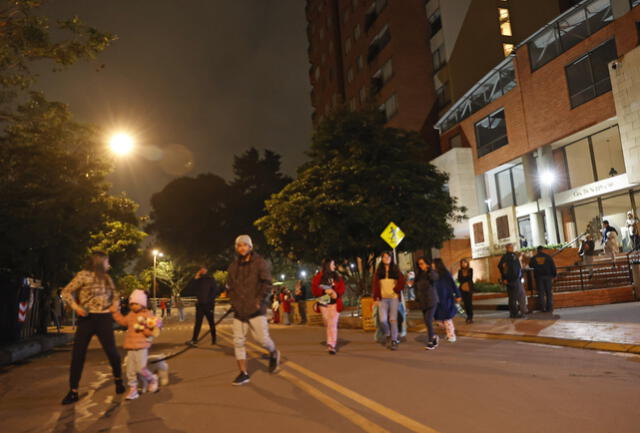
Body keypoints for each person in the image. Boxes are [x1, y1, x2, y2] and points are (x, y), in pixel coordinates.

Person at [60, 251, 124, 405]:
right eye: (107, 261)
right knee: (78, 354)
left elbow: (115, 296)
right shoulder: (83, 275)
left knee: (112, 352)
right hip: (87, 319)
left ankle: (118, 380)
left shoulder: (107, 278)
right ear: (99, 262)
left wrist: (115, 305)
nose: (109, 264)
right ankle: (73, 391)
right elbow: (66, 291)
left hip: (104, 318)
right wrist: (76, 307)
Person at [226, 235, 280, 386]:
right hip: (239, 310)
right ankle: (243, 373)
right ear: (236, 248)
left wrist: (259, 301)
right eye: (239, 245)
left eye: (245, 245)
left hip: (255, 308)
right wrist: (233, 301)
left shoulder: (259, 263)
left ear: (250, 247)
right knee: (238, 341)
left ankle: (274, 352)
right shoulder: (233, 267)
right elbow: (229, 286)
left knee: (261, 339)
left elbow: (267, 283)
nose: (242, 248)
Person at [110, 290, 162, 400]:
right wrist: (115, 312)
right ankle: (133, 389)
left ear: (143, 304)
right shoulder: (131, 315)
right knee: (130, 370)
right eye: (132, 304)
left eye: (136, 304)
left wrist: (150, 329)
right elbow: (123, 322)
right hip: (130, 346)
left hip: (142, 346)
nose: (133, 306)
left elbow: (155, 326)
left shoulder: (147, 314)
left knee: (141, 368)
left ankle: (152, 379)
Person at [311, 259, 346, 354]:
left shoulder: (337, 277)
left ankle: (331, 345)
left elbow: (342, 288)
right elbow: (314, 290)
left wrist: (337, 293)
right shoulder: (319, 277)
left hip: (335, 302)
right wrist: (324, 291)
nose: (334, 266)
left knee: (332, 323)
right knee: (327, 321)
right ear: (327, 265)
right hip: (324, 301)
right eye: (333, 264)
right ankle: (330, 341)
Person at [372, 251, 405, 350]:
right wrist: (375, 298)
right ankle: (388, 333)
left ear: (391, 258)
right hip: (382, 299)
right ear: (382, 259)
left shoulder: (396, 270)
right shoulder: (379, 272)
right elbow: (375, 286)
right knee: (382, 320)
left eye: (388, 257)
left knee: (393, 320)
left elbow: (402, 282)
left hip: (394, 298)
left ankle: (394, 340)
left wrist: (396, 290)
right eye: (384, 257)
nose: (386, 258)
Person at [185, 266, 219, 346]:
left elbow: (215, 291)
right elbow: (190, 289)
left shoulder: (211, 280)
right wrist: (195, 278)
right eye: (201, 269)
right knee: (198, 323)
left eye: (204, 269)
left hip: (209, 305)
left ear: (207, 270)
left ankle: (214, 339)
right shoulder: (198, 280)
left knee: (211, 323)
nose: (202, 270)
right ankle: (194, 339)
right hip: (200, 305)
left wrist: (209, 301)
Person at [433, 259, 461, 342]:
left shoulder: (445, 273)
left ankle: (451, 335)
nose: (432, 265)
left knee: (446, 318)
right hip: (436, 299)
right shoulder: (433, 274)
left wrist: (458, 294)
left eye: (433, 263)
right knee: (438, 319)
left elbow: (453, 284)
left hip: (446, 298)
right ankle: (450, 331)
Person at [414, 257, 439, 350]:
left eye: (422, 263)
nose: (421, 266)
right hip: (422, 301)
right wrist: (417, 297)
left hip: (432, 300)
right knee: (426, 321)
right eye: (419, 264)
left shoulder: (431, 273)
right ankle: (434, 337)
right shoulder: (419, 275)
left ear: (427, 264)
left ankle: (430, 342)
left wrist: (429, 270)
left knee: (428, 320)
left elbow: (435, 278)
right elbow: (415, 287)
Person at [498, 243, 527, 318]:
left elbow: (502, 267)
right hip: (513, 280)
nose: (512, 248)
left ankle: (518, 312)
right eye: (511, 247)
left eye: (512, 247)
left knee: (517, 296)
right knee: (515, 297)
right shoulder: (509, 257)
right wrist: (505, 278)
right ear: (508, 248)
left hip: (514, 279)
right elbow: (503, 268)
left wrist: (504, 278)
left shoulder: (510, 256)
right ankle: (515, 313)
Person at [529, 246, 557, 313]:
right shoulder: (548, 257)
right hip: (548, 277)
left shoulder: (534, 258)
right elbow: (553, 266)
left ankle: (543, 308)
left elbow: (530, 265)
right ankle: (549, 307)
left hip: (539, 277)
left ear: (537, 250)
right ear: (543, 250)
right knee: (548, 293)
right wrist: (554, 275)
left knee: (541, 293)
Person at [456, 259, 474, 324]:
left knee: (469, 303)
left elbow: (470, 278)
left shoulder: (470, 270)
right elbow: (459, 279)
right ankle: (468, 316)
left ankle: (470, 317)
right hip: (462, 289)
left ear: (467, 263)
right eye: (462, 263)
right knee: (465, 304)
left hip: (469, 288)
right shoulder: (459, 271)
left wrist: (463, 278)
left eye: (464, 263)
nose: (463, 264)